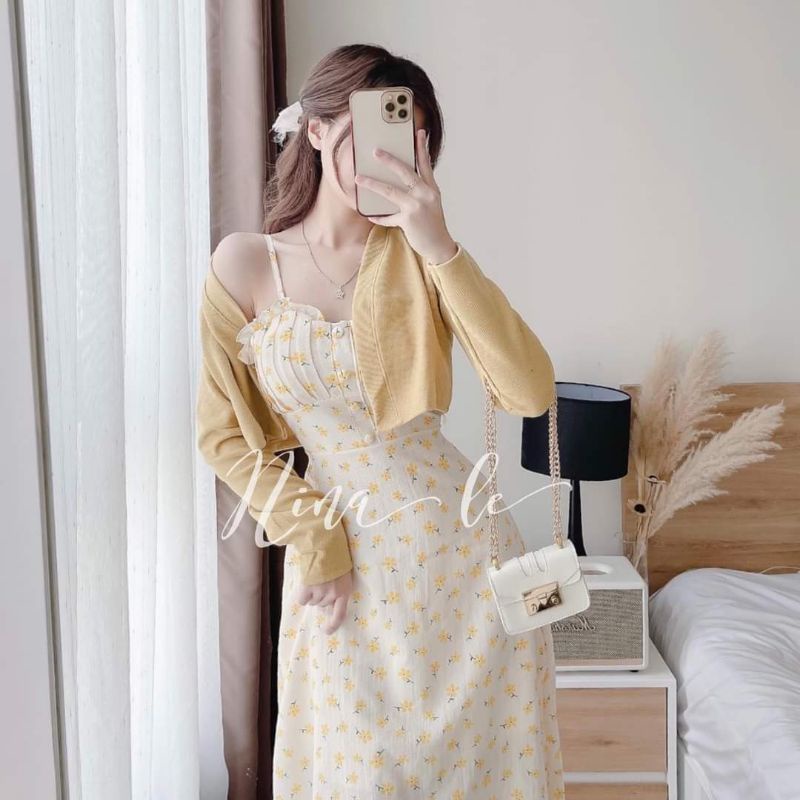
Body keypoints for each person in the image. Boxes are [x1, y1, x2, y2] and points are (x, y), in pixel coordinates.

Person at [197, 43, 566, 799]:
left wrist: (439, 244)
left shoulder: (424, 259)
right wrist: (314, 534)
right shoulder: (246, 264)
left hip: (464, 565)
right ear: (317, 129)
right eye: (377, 130)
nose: (392, 157)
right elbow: (222, 436)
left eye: (413, 139)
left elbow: (530, 392)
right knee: (355, 774)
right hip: (340, 573)